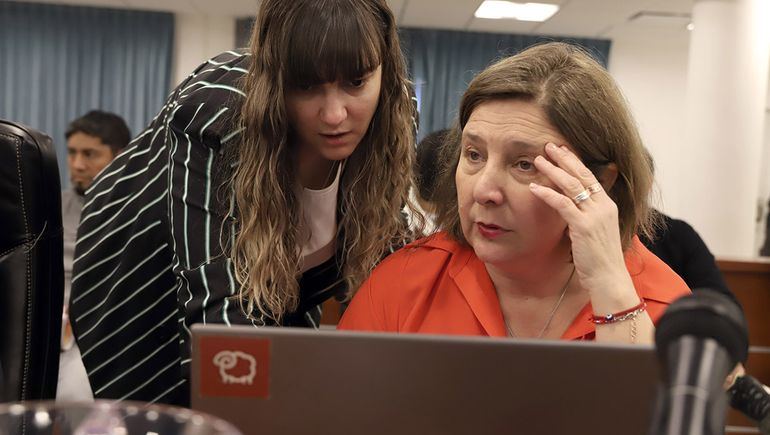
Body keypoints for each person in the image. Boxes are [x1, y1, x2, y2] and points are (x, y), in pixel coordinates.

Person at [69, 0, 417, 406]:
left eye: (356, 82)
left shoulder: (393, 112)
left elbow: (381, 263)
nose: (336, 114)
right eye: (306, 85)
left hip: (278, 294)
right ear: (275, 78)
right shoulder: (218, 114)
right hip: (141, 296)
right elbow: (218, 318)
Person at [338, 42, 691, 343]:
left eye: (525, 164)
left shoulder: (660, 303)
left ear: (600, 182)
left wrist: (610, 290)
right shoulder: (403, 283)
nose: (485, 190)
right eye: (474, 155)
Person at [59, 110, 130, 401]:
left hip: (98, 330)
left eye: (90, 154)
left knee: (73, 397)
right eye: (72, 153)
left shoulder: (134, 212)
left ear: (121, 156)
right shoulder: (46, 205)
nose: (77, 164)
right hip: (42, 324)